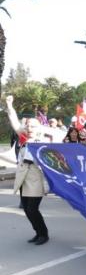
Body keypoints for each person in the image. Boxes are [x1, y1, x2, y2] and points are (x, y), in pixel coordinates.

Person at [6, 95, 52, 245]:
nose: (29, 128)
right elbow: (14, 122)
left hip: (36, 177)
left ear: (39, 128)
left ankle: (44, 234)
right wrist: (10, 105)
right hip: (23, 176)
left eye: (33, 126)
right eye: (28, 126)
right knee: (26, 209)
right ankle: (38, 232)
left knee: (33, 209)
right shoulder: (24, 137)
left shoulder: (44, 142)